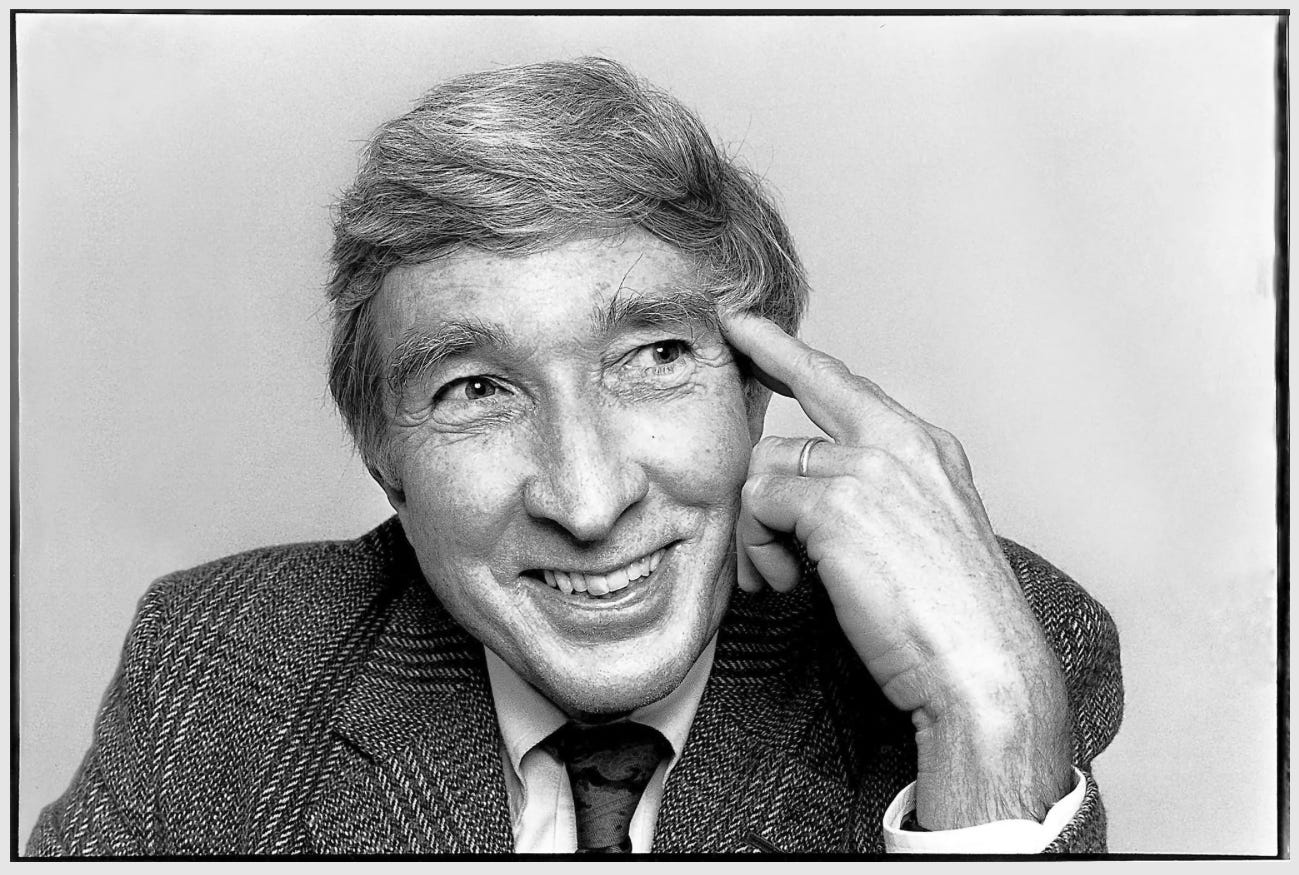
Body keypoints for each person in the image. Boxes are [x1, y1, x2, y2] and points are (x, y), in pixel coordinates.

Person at [27, 57, 1122, 856]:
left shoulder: (995, 640)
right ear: (382, 457)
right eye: (475, 389)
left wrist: (990, 729)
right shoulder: (222, 668)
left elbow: (991, 716)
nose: (588, 502)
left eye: (652, 358)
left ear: (756, 391)